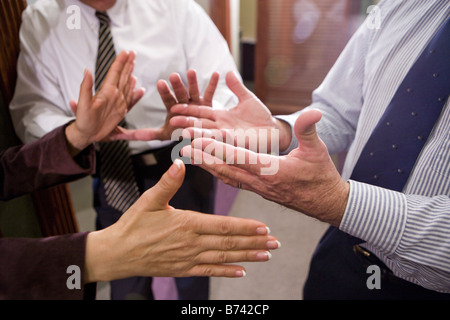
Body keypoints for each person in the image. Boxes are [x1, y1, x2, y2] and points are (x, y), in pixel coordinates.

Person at [170, 1, 450, 299]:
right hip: (344, 246)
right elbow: (340, 110)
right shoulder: (401, 6)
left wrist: (340, 202)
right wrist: (278, 132)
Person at [0, 52, 279, 300]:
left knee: (194, 261)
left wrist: (74, 137)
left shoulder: (177, 9)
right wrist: (94, 256)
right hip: (113, 168)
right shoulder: (42, 19)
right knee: (128, 286)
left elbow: (219, 80)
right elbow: (30, 114)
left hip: (178, 156)